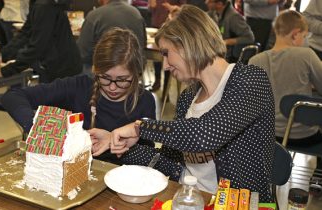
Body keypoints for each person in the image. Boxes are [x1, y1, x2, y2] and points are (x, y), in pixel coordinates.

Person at [100, 5, 275, 202]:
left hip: (237, 204)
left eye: (166, 53)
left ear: (189, 43)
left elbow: (204, 134)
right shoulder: (187, 99)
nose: (165, 66)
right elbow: (167, 163)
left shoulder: (251, 80)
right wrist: (117, 143)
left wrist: (139, 128)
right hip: (187, 200)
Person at [1, 28, 182, 180]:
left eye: (122, 80)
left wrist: (118, 143)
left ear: (136, 74)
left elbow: (147, 160)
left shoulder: (145, 101)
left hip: (122, 181)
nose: (112, 87)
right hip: (75, 178)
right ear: (96, 70)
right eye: (105, 78)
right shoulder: (78, 87)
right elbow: (13, 96)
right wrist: (38, 124)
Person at [249, 10, 322, 147]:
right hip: (302, 135)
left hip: (266, 135)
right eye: (304, 36)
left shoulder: (255, 60)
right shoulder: (306, 55)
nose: (304, 41)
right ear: (295, 34)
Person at [0, 0, 82, 83]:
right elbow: (25, 34)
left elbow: (37, 47)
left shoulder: (44, 6)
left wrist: (5, 71)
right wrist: (1, 56)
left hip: (62, 69)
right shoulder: (37, 3)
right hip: (56, 65)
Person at [77, 0, 147, 77]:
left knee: (82, 65)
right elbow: (143, 44)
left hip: (104, 73)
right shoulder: (136, 13)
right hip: (134, 71)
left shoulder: (95, 15)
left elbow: (82, 52)